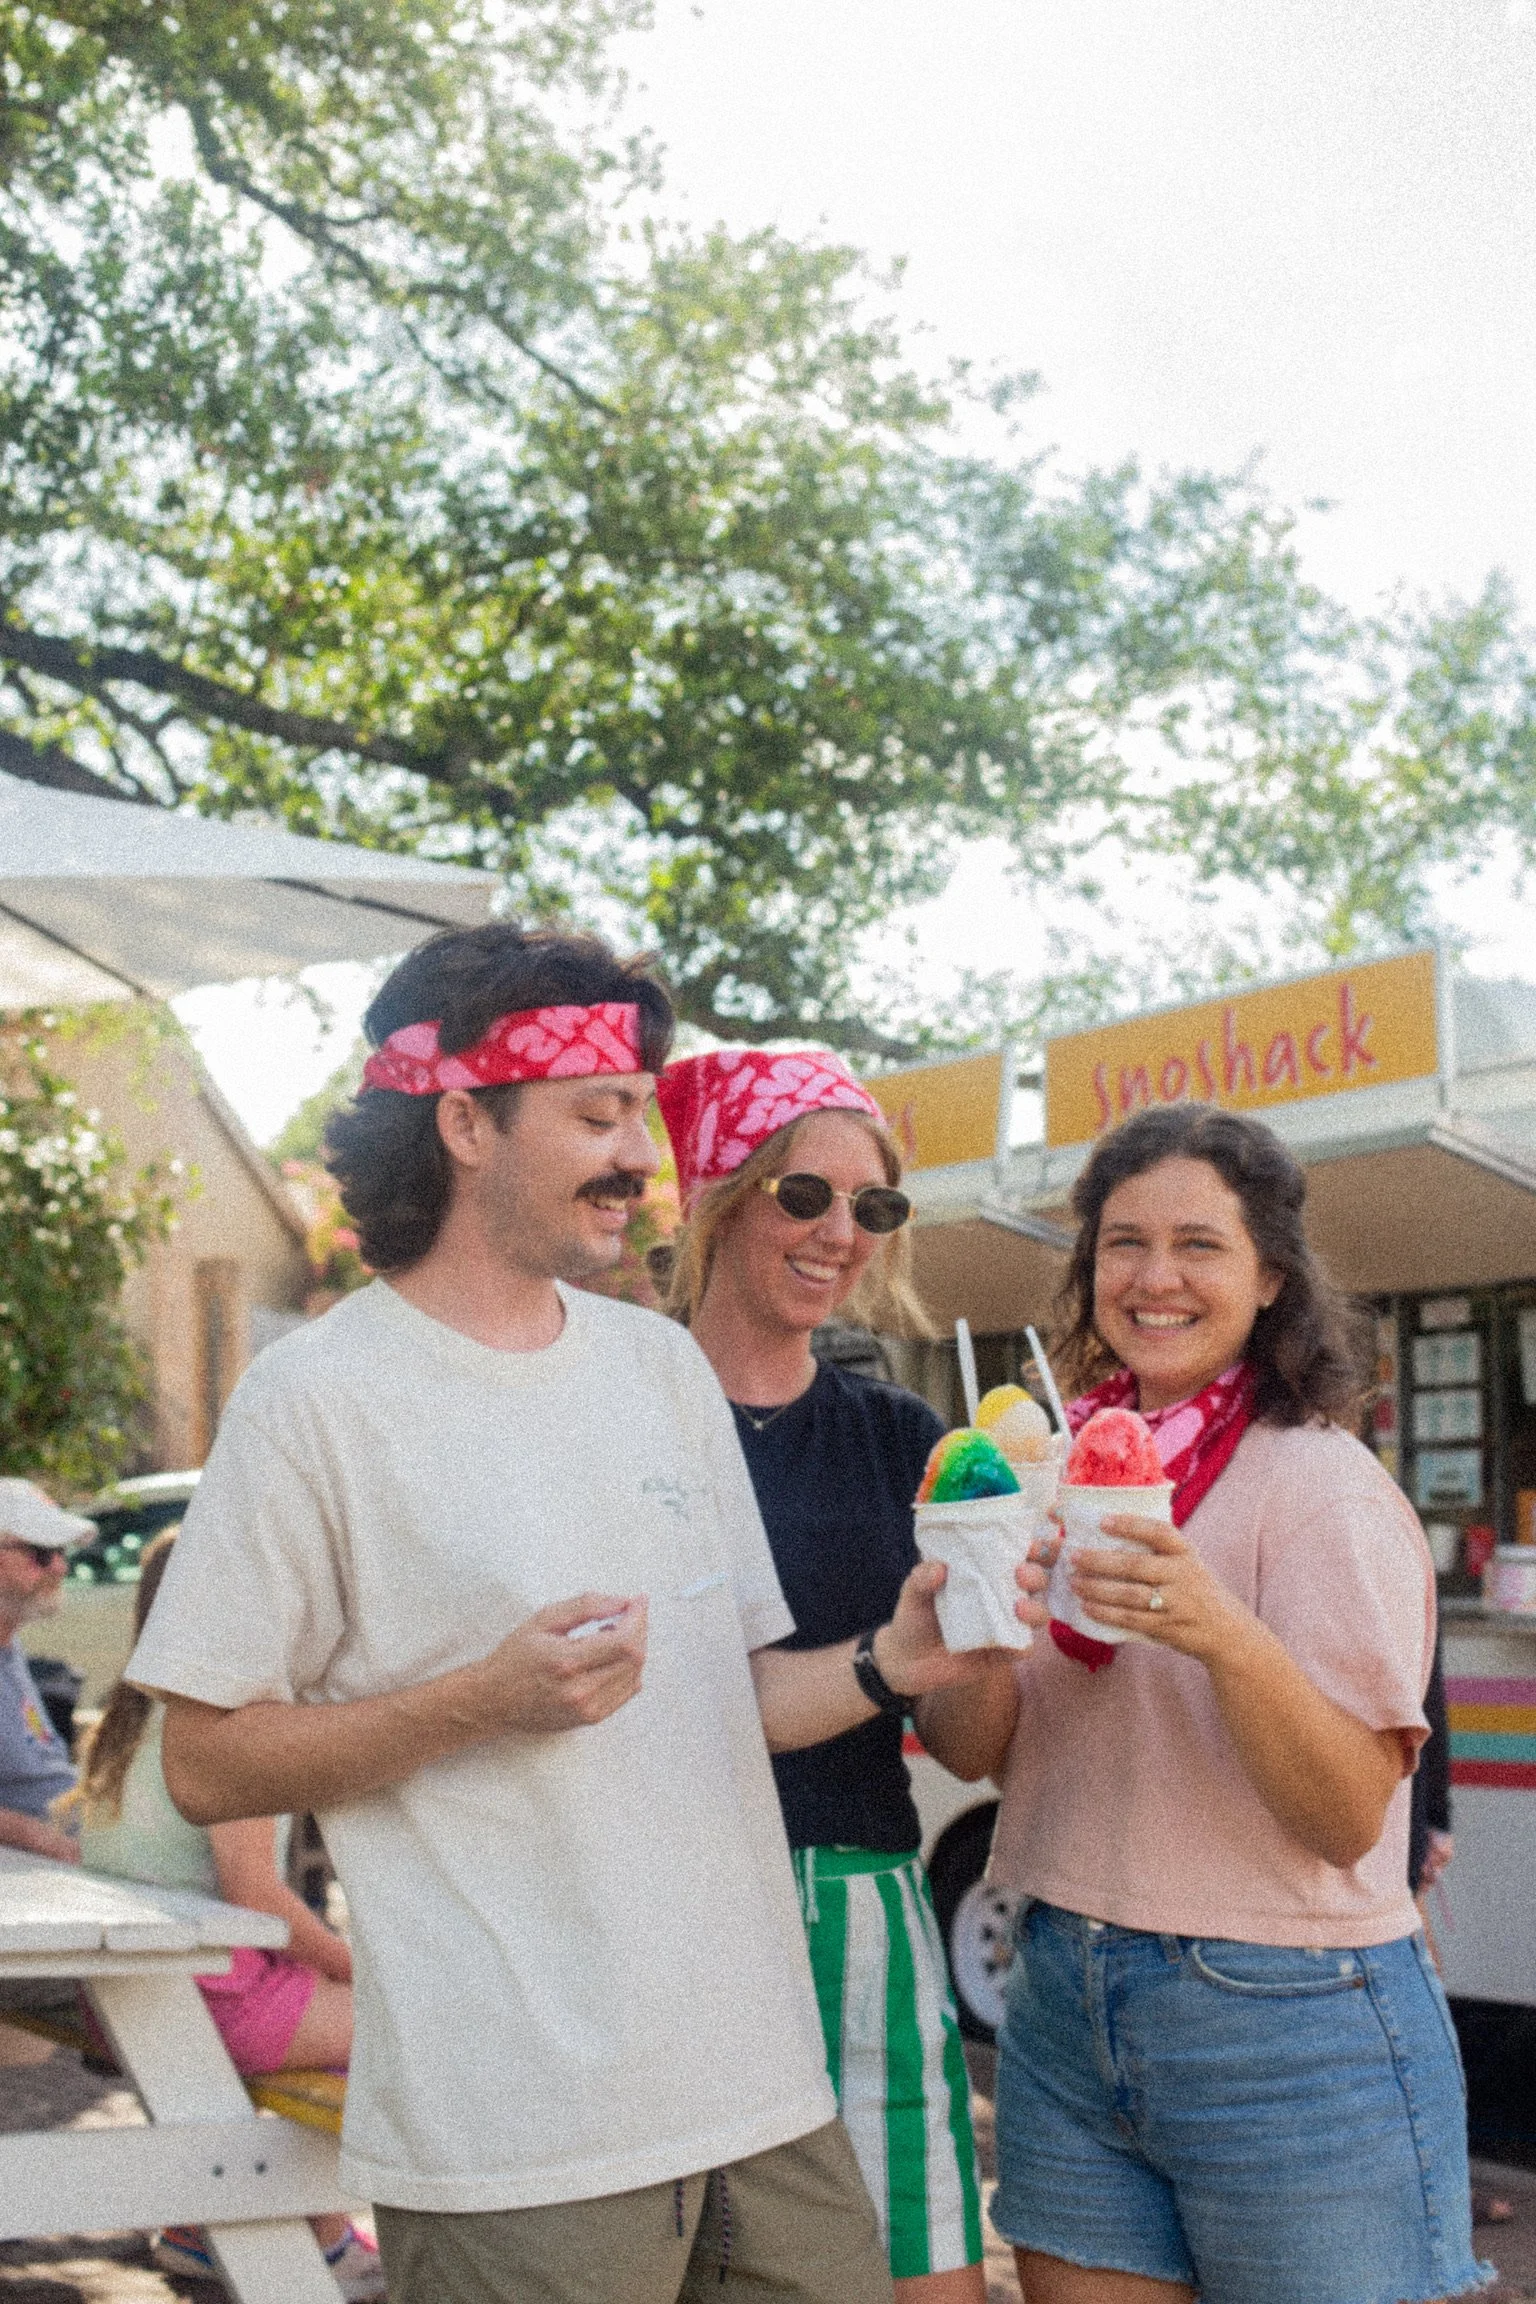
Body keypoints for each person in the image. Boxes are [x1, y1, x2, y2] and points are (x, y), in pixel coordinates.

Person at [127, 922, 973, 2304]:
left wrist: (894, 1661)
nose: (639, 1157)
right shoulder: (317, 1399)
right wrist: (478, 1702)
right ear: (466, 1120)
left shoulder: (658, 1368)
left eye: (639, 1112)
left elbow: (732, 1699)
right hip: (520, 2137)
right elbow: (204, 1757)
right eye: (597, 1116)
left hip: (761, 2088)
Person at [952, 1104, 1485, 2304]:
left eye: (1200, 1245)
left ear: (1270, 1276)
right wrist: (976, 1612)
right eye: (1122, 1242)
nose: (1155, 1278)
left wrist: (1218, 1634)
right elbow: (984, 1756)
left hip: (1287, 2022)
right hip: (1061, 1993)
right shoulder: (1053, 1468)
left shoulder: (1320, 1486)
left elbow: (1352, 1818)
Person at [658, 1048, 1041, 2304]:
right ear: (719, 1196)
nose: (842, 1234)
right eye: (803, 1195)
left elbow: (972, 1745)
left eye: (872, 1207)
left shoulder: (906, 1442)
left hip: (862, 1914)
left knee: (930, 2279)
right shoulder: (620, 1413)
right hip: (666, 1915)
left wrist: (992, 1635)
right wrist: (892, 1656)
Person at [71, 1530, 382, 2300]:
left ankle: (204, 2227)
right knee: (418, 2027)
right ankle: (321, 2234)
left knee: (358, 2026)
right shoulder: (226, 1718)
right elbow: (254, 1893)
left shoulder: (133, 1713)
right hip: (213, 1993)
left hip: (134, 1990)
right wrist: (354, 1962)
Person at [0, 1478, 92, 1863]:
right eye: (42, 1552)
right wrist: (36, 1837)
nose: (61, 1566)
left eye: (61, 1551)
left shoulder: (9, 1644)